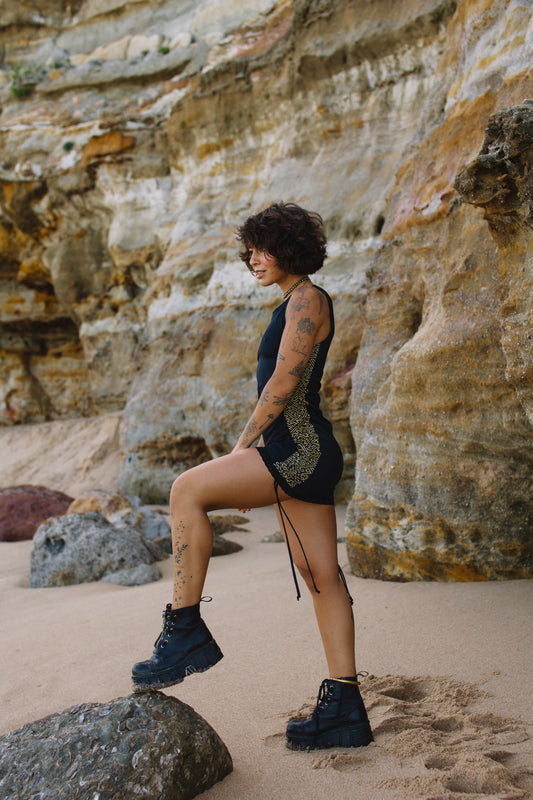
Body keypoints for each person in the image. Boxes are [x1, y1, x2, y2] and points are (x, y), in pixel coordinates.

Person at [132, 201, 373, 751]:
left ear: (289, 249)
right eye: (250, 251)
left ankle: (185, 629)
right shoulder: (294, 302)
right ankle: (345, 708)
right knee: (320, 576)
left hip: (300, 450)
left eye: (263, 249)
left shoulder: (308, 299)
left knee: (185, 490)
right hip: (302, 451)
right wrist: (250, 462)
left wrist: (241, 451)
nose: (253, 260)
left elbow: (283, 385)